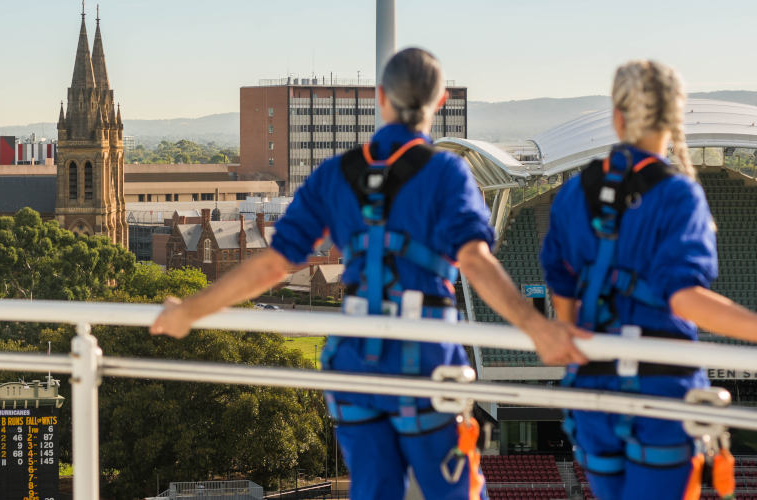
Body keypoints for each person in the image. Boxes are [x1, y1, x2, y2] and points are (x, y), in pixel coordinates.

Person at [152, 47, 588, 500]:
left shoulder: (337, 174)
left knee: (376, 490)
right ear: (439, 104)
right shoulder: (447, 174)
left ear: (382, 99)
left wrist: (190, 310)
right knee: (455, 491)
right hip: (424, 357)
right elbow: (476, 262)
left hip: (356, 360)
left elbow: (273, 263)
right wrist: (538, 327)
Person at [540, 60, 757, 500]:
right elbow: (685, 300)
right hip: (662, 390)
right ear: (676, 119)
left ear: (618, 117)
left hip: (594, 389)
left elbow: (562, 293)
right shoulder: (678, 194)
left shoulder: (572, 193)